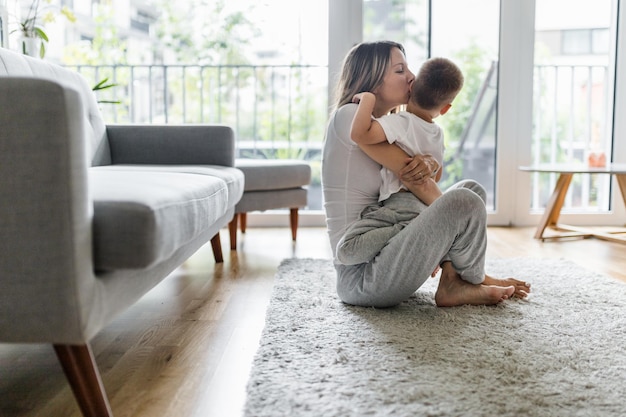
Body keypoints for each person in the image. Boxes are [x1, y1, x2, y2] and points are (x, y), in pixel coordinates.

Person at [322, 41, 531, 308]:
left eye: (408, 68)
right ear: (372, 81)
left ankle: (454, 282)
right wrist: (447, 234)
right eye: (400, 70)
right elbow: (420, 184)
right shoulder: (352, 116)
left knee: (470, 190)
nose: (412, 76)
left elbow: (423, 178)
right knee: (464, 201)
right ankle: (472, 279)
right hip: (362, 275)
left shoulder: (386, 125)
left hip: (388, 251)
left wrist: (430, 166)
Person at [336, 57, 463, 265]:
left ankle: (412, 230)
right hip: (422, 206)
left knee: (347, 250)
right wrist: (429, 163)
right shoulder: (437, 133)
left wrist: (368, 100)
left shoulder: (401, 122)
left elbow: (360, 134)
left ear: (411, 87)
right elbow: (437, 175)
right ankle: (420, 232)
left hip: (400, 207)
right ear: (446, 108)